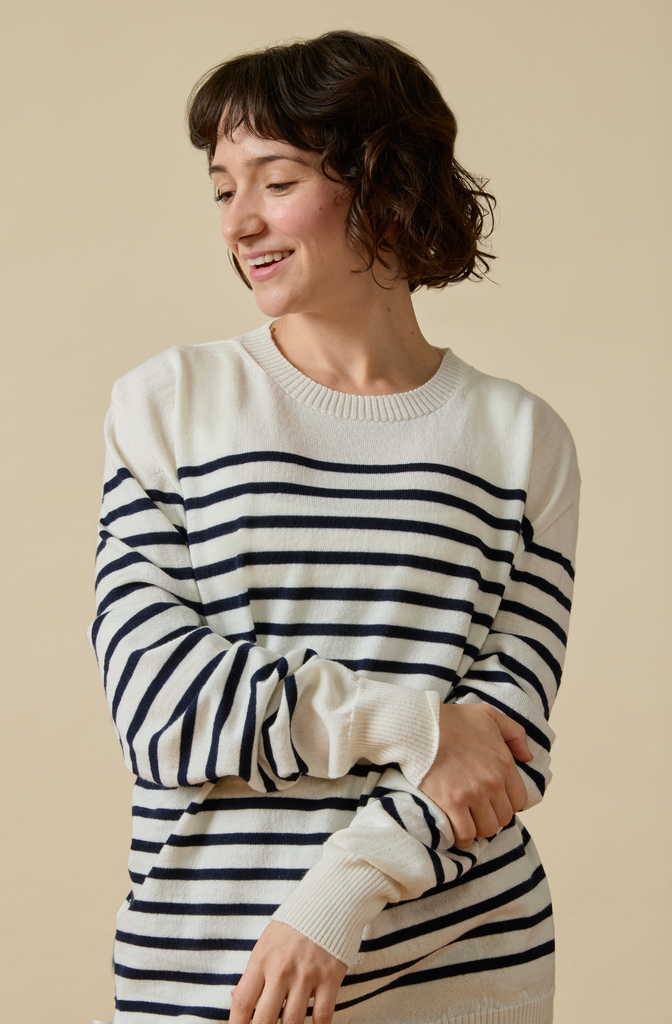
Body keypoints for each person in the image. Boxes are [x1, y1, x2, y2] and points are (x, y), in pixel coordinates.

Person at [89, 29, 579, 1024]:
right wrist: (412, 723)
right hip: (213, 973)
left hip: (467, 960)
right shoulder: (169, 404)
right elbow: (158, 703)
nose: (238, 220)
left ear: (382, 182)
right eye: (222, 187)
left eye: (273, 180)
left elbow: (504, 745)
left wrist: (334, 900)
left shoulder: (520, 439)